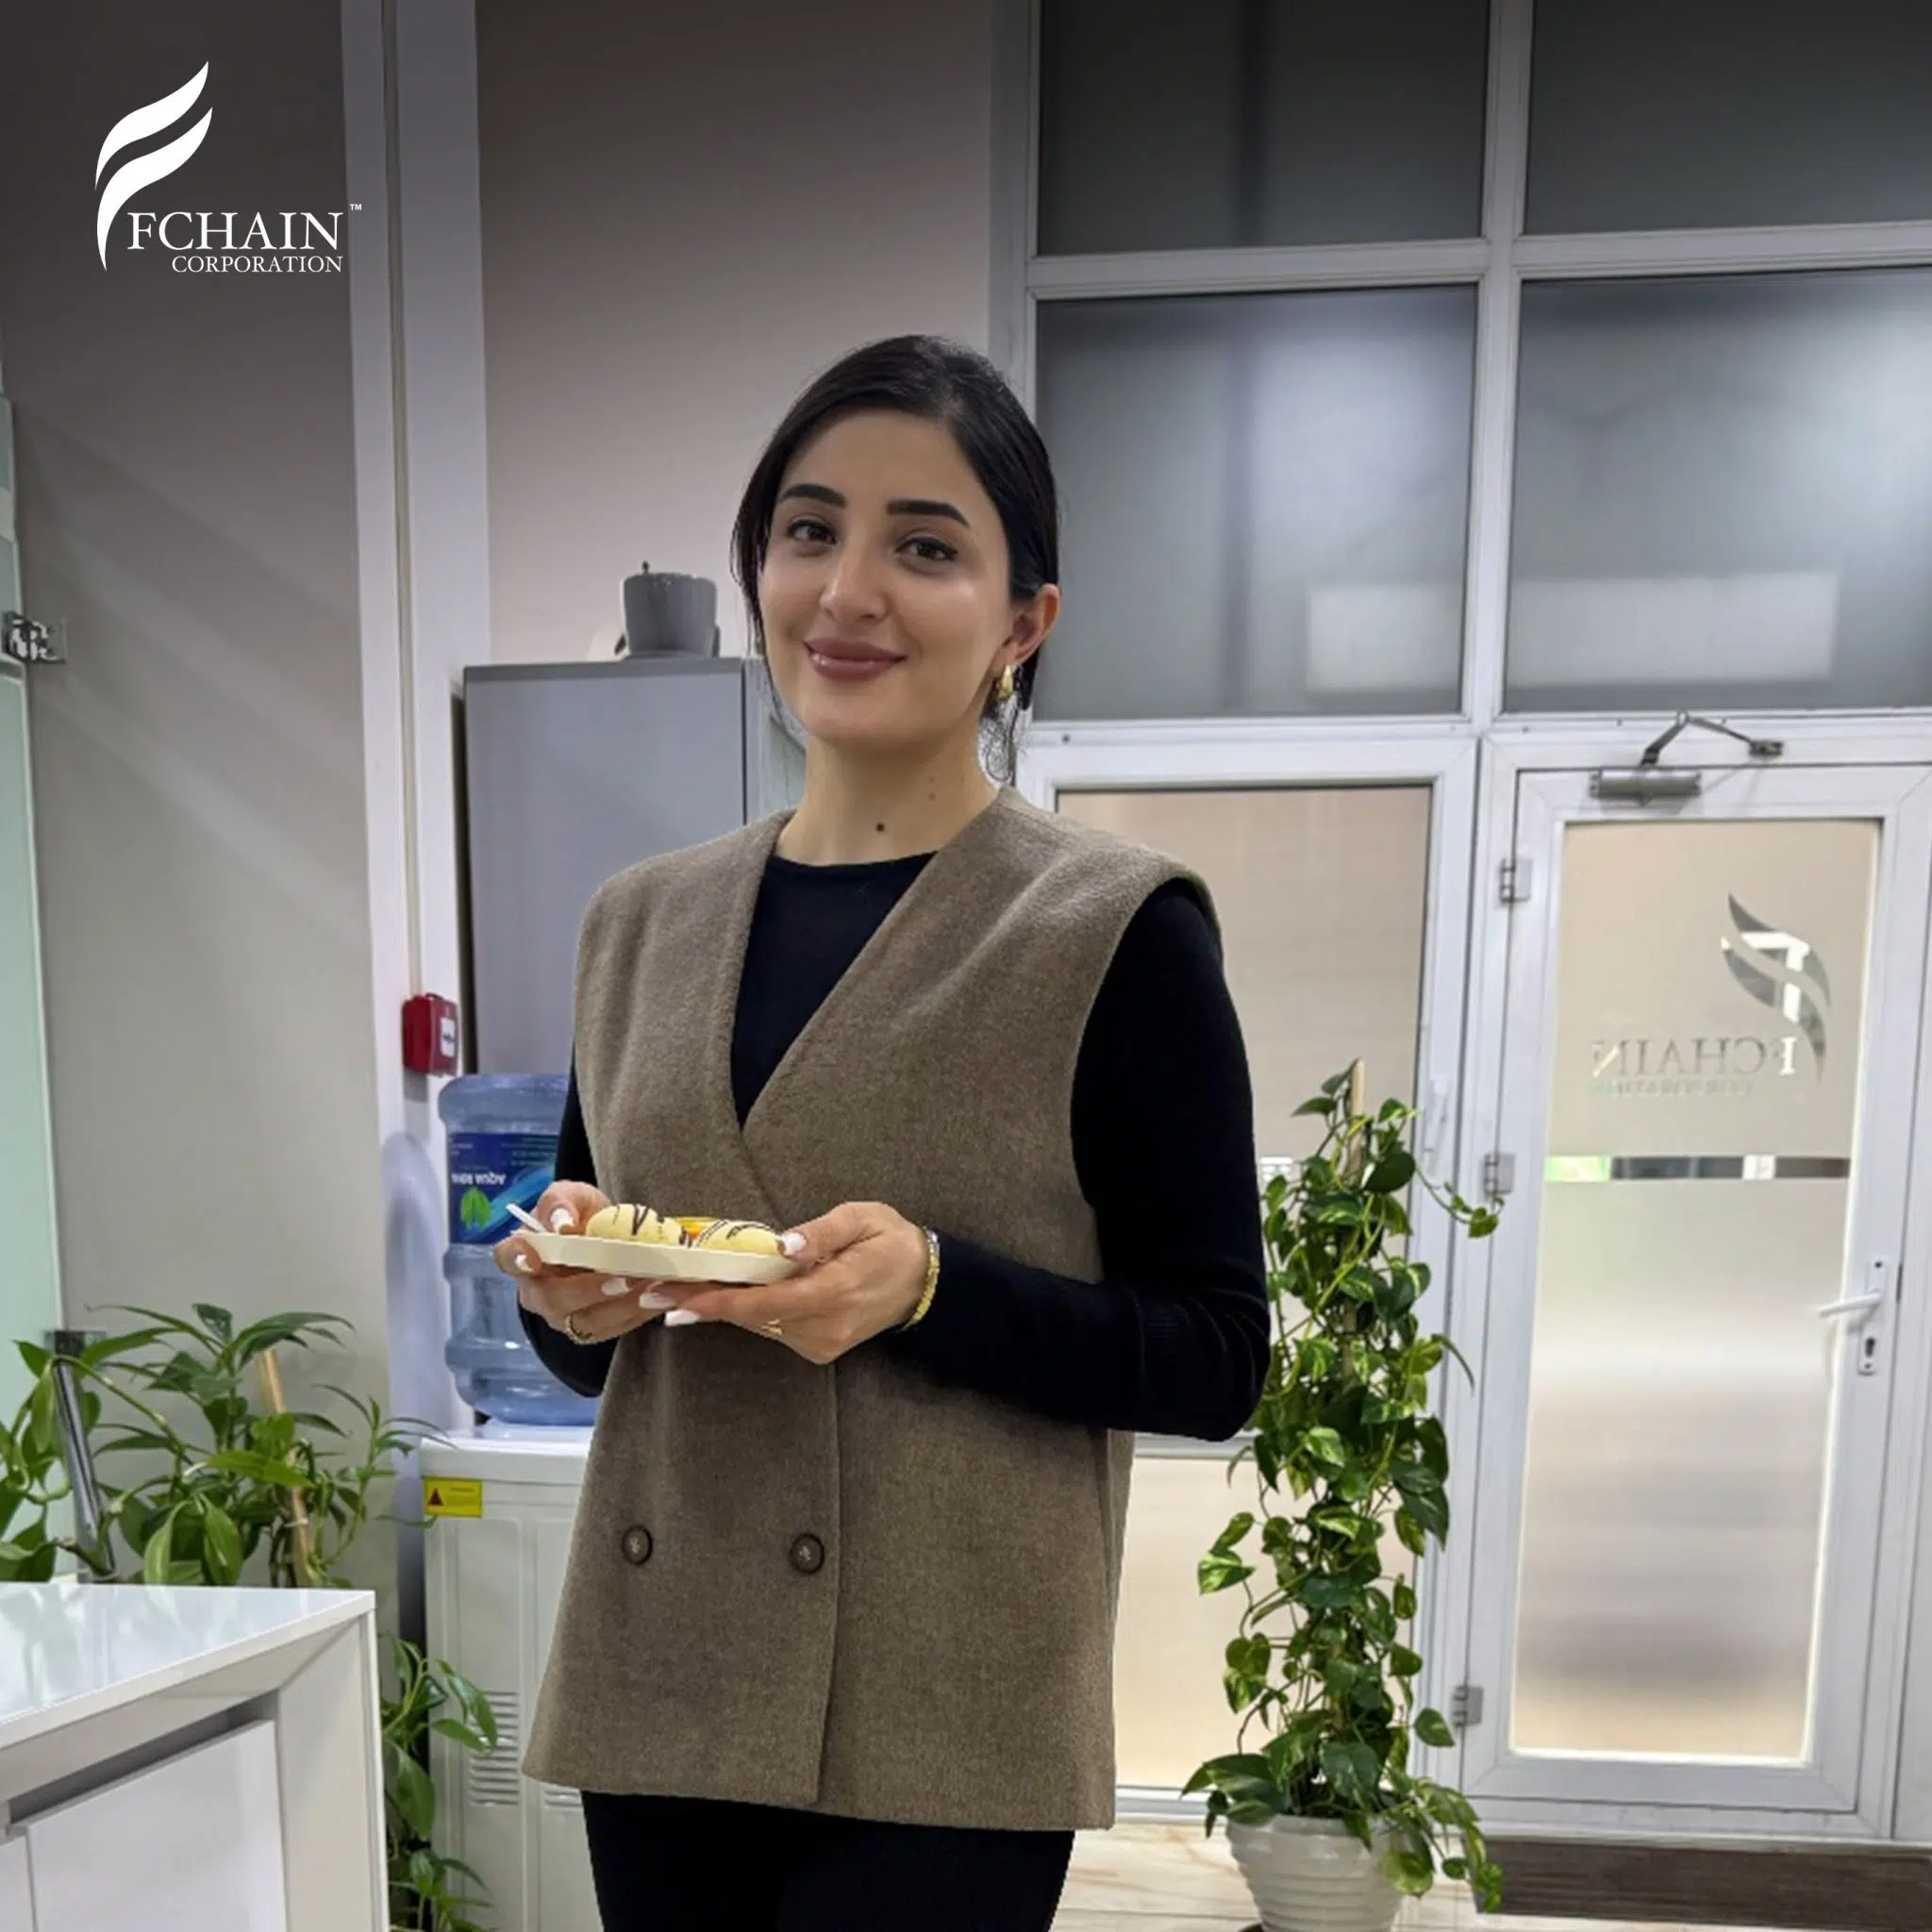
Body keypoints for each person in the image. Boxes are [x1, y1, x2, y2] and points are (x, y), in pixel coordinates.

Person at [493, 333, 1270, 1932]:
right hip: (663, 1675)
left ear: (1022, 623)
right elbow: (590, 1342)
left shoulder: (1108, 930)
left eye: (924, 546)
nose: (848, 591)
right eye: (809, 530)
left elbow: (1215, 1355)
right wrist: (564, 1292)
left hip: (947, 1709)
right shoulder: (637, 923)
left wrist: (930, 1287)